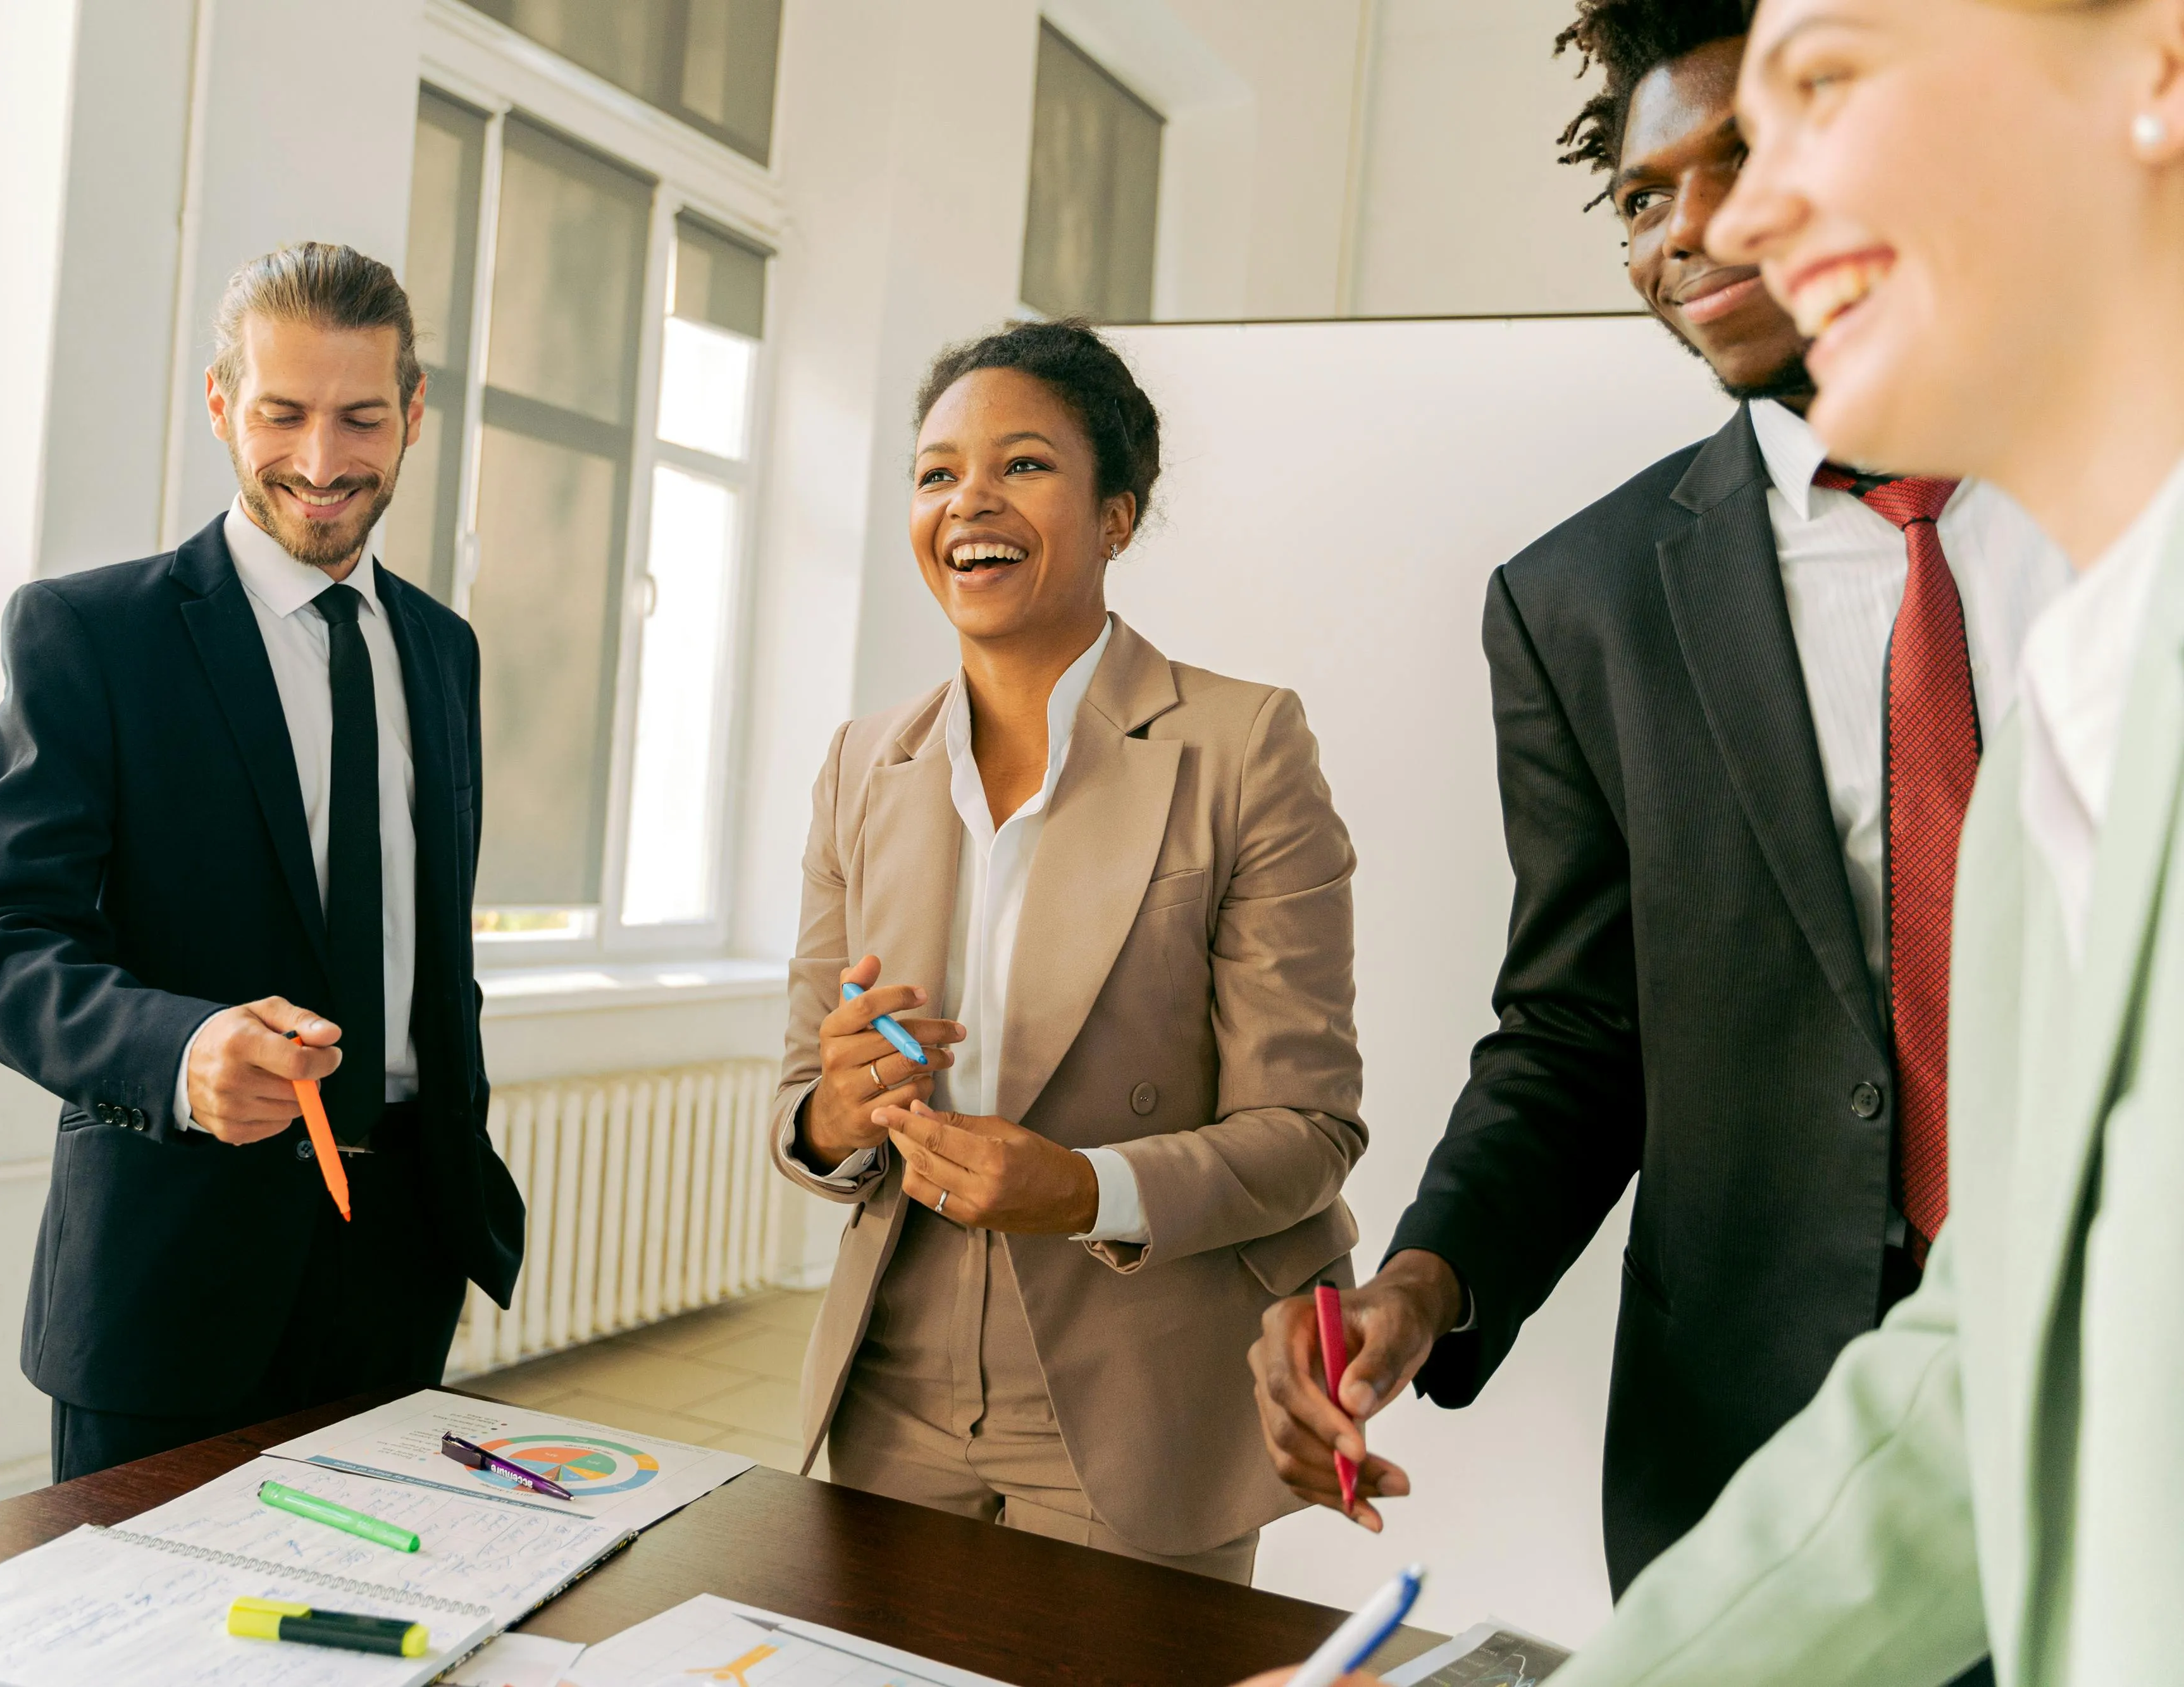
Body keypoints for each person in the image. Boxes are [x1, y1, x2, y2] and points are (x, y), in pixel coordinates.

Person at [1245, 0, 2065, 1605]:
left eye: (1740, 157)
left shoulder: (2124, 504)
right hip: (1757, 1425)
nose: (1689, 227)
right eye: (1636, 197)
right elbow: (1575, 1033)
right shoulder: (1581, 601)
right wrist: (1425, 1279)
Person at [1520, 0, 2184, 1678]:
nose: (1730, 223)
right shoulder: (2070, 729)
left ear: (2154, 68)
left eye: (1818, 94)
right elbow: (1983, 1369)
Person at [770, 320, 1365, 1581]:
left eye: (1022, 465)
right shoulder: (857, 766)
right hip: (896, 1385)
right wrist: (838, 1107)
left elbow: (1307, 1129)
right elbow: (802, 1114)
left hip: (1137, 1384)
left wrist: (1085, 1188)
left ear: (1115, 518)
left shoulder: (1241, 745)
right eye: (936, 474)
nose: (968, 500)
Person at [0, 243, 524, 1482]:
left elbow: (428, 950)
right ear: (220, 406)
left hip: (400, 1260)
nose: (321, 463)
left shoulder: (444, 652)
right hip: (170, 1277)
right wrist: (181, 1051)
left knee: (360, 1642)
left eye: (362, 417)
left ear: (414, 412)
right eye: (281, 415)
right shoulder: (91, 635)